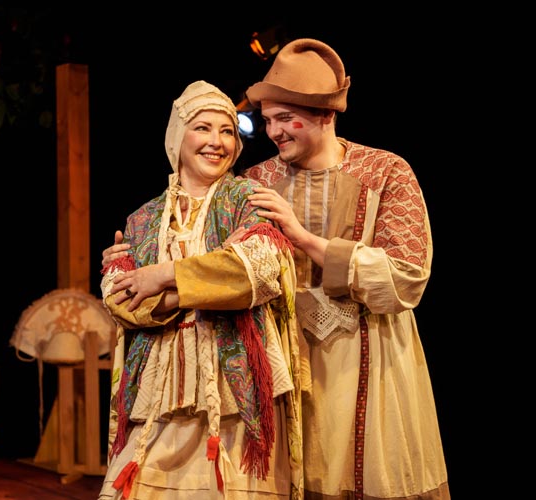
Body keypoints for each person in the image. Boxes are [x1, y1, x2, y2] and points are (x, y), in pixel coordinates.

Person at [102, 40, 450, 500]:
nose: (273, 132)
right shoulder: (256, 181)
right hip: (281, 359)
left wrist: (304, 239)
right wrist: (137, 267)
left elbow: (406, 277)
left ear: (325, 114)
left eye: (285, 118)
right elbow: (215, 267)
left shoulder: (386, 171)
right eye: (266, 120)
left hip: (367, 360)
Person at [98, 80, 304, 499]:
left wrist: (162, 276)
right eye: (203, 128)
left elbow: (255, 272)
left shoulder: (248, 199)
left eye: (227, 131)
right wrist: (202, 285)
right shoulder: (143, 219)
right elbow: (119, 299)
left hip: (233, 391)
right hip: (158, 389)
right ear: (178, 136)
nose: (216, 141)